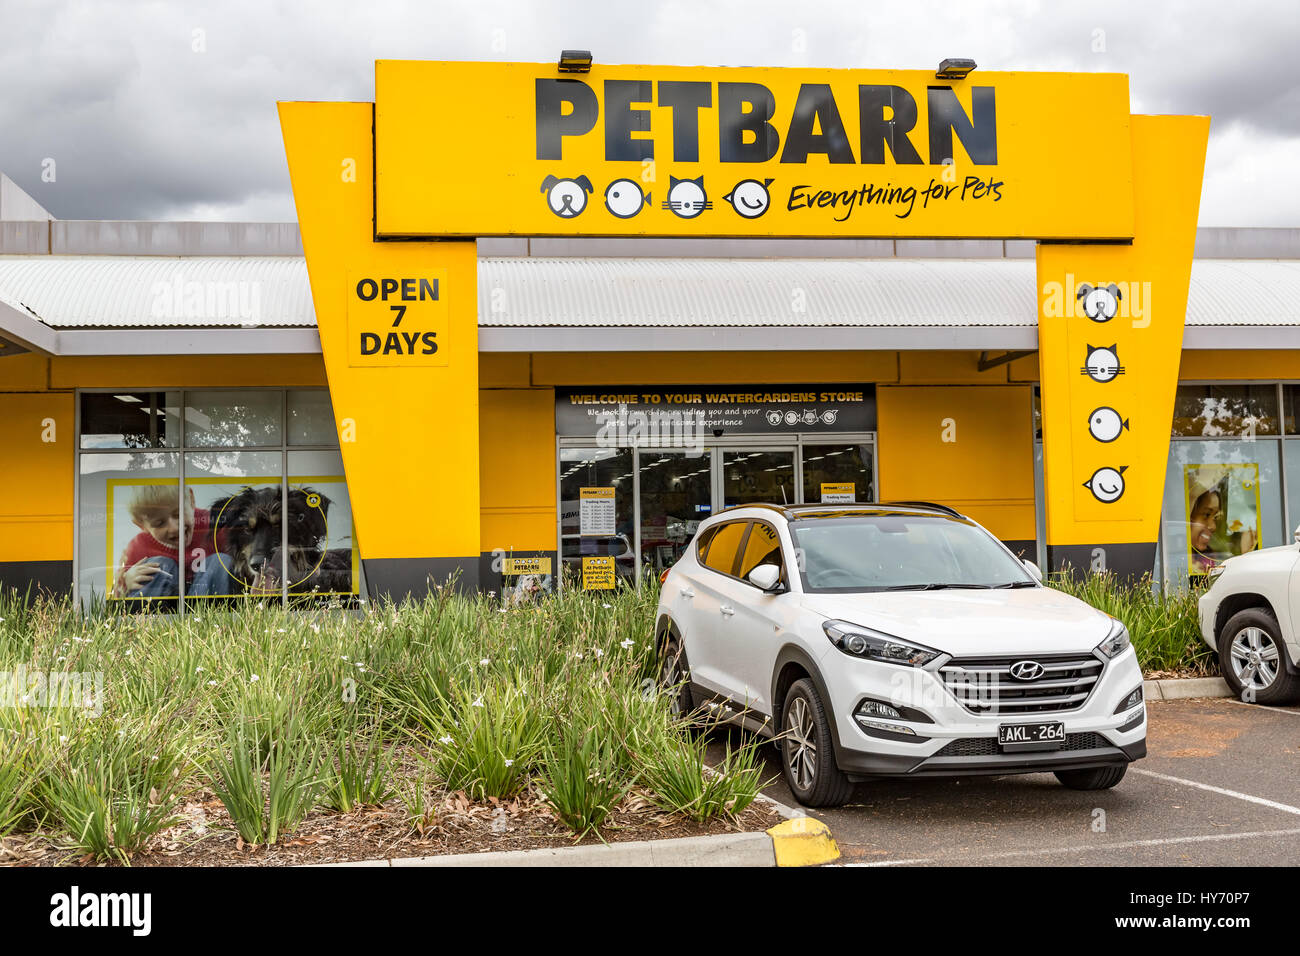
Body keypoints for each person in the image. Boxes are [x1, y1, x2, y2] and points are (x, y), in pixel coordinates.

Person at [113, 485, 234, 599]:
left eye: (179, 514)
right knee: (159, 565)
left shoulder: (215, 527)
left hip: (203, 602)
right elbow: (115, 594)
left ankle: (211, 618)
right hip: (165, 612)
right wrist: (126, 582)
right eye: (159, 523)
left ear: (191, 500)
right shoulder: (138, 547)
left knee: (221, 561)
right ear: (141, 525)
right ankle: (146, 618)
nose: (175, 528)